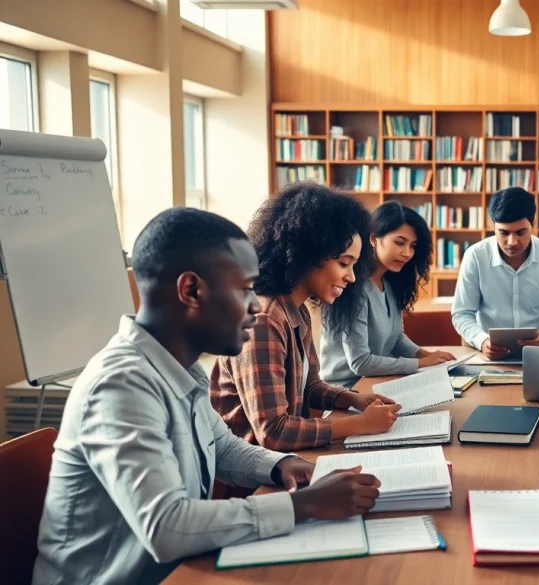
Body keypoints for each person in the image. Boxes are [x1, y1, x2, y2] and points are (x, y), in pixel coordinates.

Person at [33, 208, 383, 585]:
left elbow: (221, 445)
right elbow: (165, 527)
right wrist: (303, 505)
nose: (255, 306)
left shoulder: (180, 367)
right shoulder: (121, 384)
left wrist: (282, 465)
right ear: (191, 290)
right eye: (246, 289)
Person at [210, 183, 401, 453]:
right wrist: (360, 424)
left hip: (286, 459)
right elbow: (273, 432)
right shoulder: (263, 320)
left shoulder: (296, 309)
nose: (352, 276)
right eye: (344, 263)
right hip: (255, 479)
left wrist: (353, 399)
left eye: (354, 265)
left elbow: (308, 386)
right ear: (308, 254)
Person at [320, 201, 455, 387]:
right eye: (399, 242)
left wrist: (425, 355)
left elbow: (396, 338)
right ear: (374, 239)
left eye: (413, 246)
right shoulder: (352, 288)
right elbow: (360, 363)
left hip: (379, 384)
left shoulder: (391, 283)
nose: (407, 253)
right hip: (346, 391)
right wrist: (419, 363)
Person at [451, 186, 539, 358]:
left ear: (533, 224)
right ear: (493, 226)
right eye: (503, 233)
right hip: (488, 356)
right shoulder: (475, 256)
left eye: (521, 232)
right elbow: (462, 313)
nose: (512, 242)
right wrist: (481, 340)